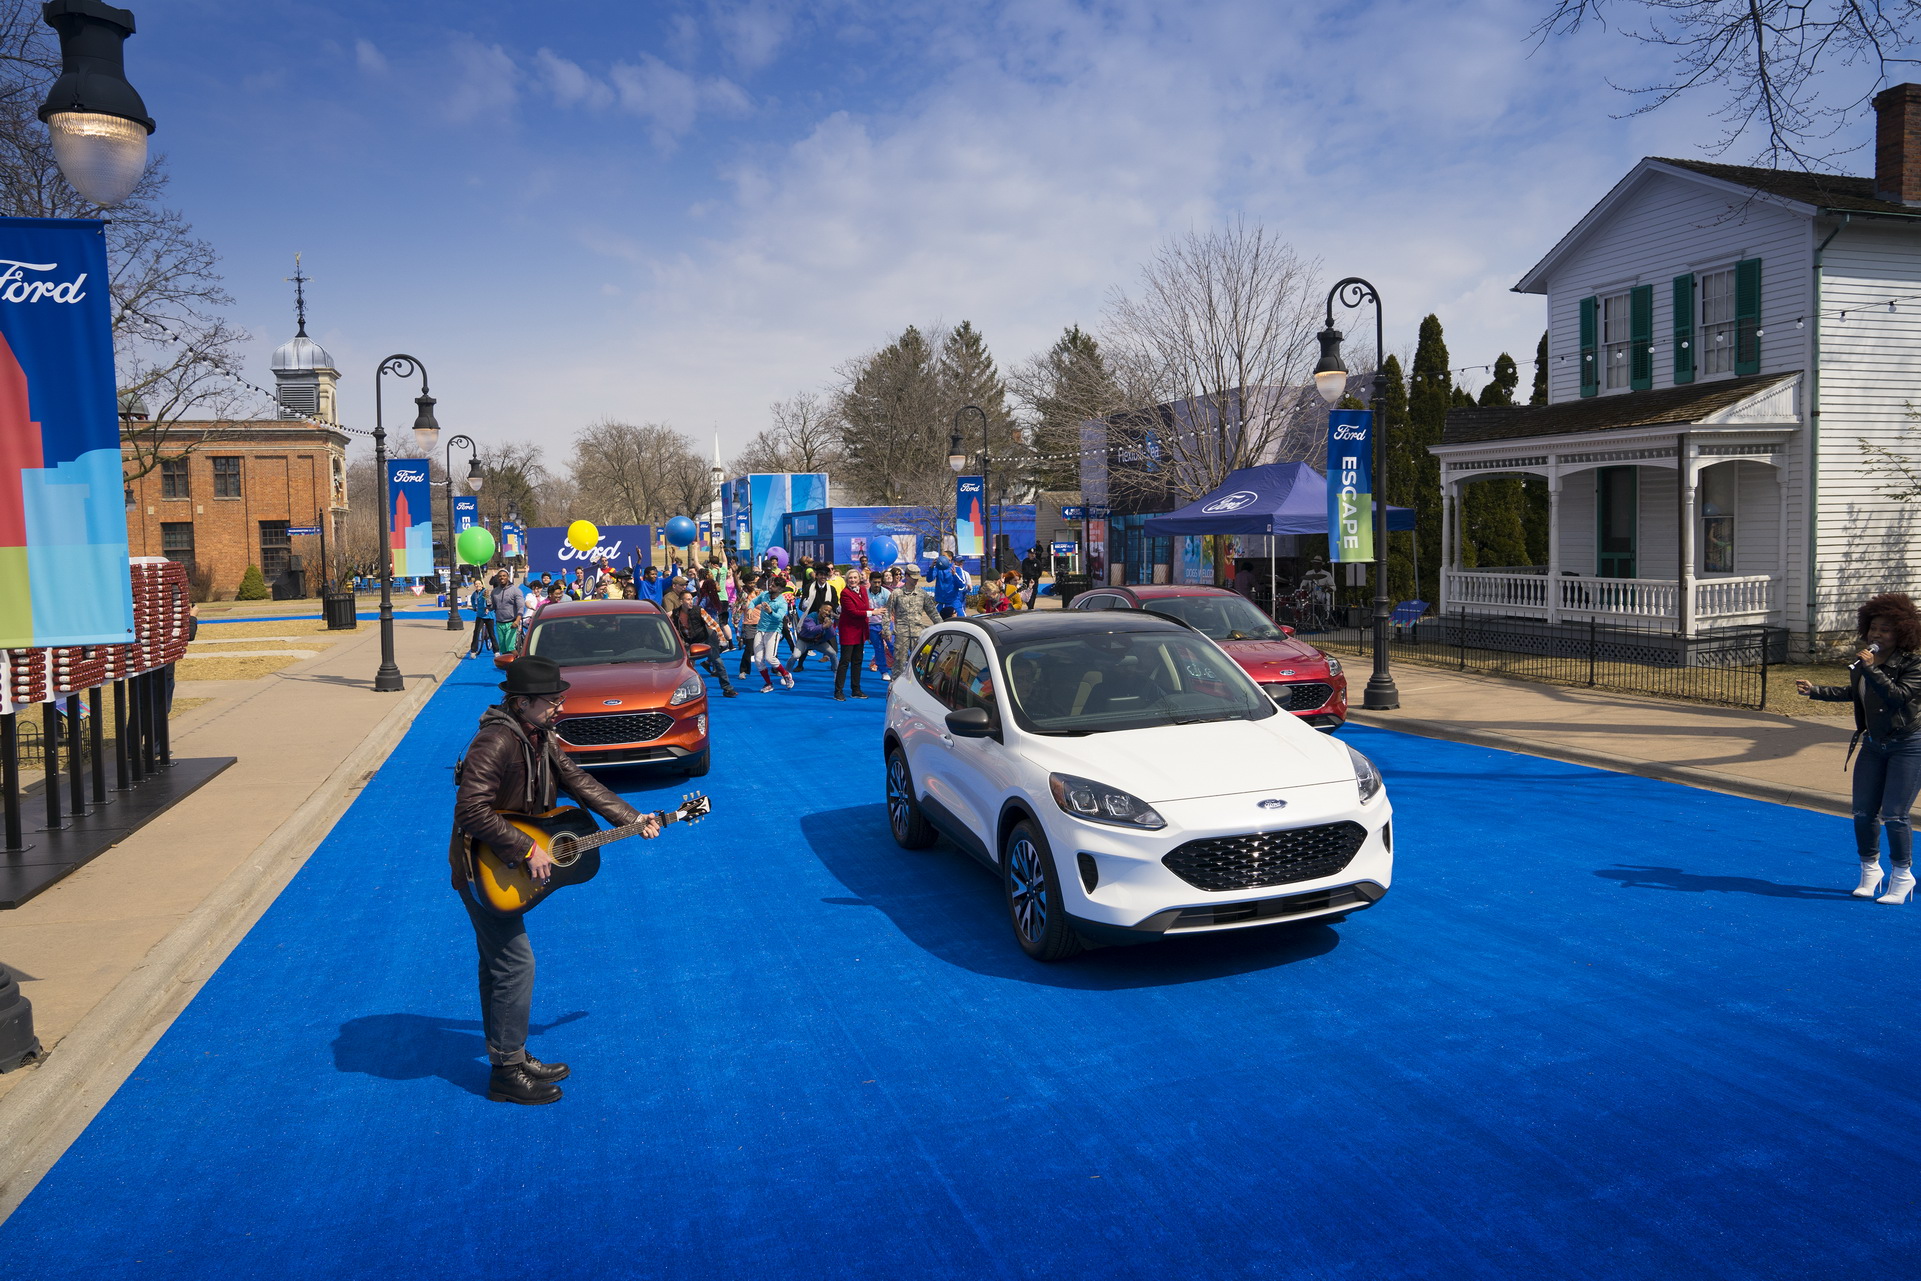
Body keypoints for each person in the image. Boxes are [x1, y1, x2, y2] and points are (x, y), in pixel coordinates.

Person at [449, 655, 658, 1104]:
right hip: (483, 868)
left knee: (497, 966)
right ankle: (506, 1074)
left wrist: (633, 818)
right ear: (522, 702)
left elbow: (578, 780)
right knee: (515, 964)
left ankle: (511, 1054)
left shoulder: (538, 735)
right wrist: (525, 847)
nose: (560, 706)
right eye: (552, 700)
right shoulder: (496, 741)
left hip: (501, 861)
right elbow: (470, 810)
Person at [1797, 593, 1921, 904]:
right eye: (1874, 628)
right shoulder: (1864, 663)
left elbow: (1897, 696)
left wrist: (1872, 669)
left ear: (1902, 633)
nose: (1877, 635)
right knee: (1863, 812)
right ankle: (1870, 870)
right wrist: (1815, 691)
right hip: (1873, 744)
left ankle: (1903, 876)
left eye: (1886, 630)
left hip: (1907, 746)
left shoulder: (1914, 665)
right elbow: (1856, 693)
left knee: (1894, 814)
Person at [671, 591, 736, 697]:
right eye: (688, 599)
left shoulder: (699, 610)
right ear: (681, 601)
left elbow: (713, 624)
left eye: (691, 599)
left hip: (705, 640)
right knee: (684, 666)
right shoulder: (675, 613)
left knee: (718, 662)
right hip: (689, 642)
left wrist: (721, 638)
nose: (691, 601)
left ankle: (727, 689)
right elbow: (674, 630)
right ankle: (685, 690)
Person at [747, 577, 794, 691]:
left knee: (770, 658)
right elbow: (753, 601)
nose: (770, 587)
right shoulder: (765, 595)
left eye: (773, 586)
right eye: (771, 584)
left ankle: (786, 675)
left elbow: (780, 618)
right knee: (758, 660)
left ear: (780, 589)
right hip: (760, 629)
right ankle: (768, 683)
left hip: (773, 631)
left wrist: (770, 611)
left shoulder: (782, 602)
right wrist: (750, 608)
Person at [834, 574, 870, 700]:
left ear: (859, 579)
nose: (853, 580)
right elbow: (853, 612)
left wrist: (873, 611)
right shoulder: (845, 593)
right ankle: (838, 691)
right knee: (845, 661)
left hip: (860, 631)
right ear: (846, 580)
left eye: (855, 578)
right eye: (850, 578)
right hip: (849, 631)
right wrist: (872, 612)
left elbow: (864, 607)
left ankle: (856, 689)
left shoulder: (863, 590)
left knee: (858, 661)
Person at [890, 564, 935, 659]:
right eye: (913, 577)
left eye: (917, 578)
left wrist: (942, 627)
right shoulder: (896, 593)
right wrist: (887, 630)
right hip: (901, 635)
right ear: (906, 576)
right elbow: (887, 612)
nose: (916, 580)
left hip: (917, 634)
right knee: (900, 664)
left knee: (919, 663)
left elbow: (933, 612)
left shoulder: (922, 594)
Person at [793, 598, 839, 673]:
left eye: (829, 611)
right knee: (801, 650)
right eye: (825, 610)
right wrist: (824, 626)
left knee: (833, 651)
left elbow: (832, 634)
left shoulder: (828, 619)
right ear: (820, 609)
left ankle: (835, 669)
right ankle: (799, 665)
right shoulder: (811, 616)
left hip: (819, 638)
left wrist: (829, 625)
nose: (827, 612)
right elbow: (812, 630)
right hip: (807, 635)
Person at [489, 571, 524, 654]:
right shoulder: (494, 592)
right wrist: (486, 598)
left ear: (508, 577)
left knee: (510, 647)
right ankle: (506, 665)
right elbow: (492, 607)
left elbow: (520, 607)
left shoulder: (516, 591)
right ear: (497, 578)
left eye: (504, 576)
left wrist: (517, 621)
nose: (502, 578)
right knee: (503, 648)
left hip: (511, 623)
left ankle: (519, 662)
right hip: (499, 623)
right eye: (500, 576)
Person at [867, 571, 893, 679]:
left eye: (879, 582)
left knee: (893, 646)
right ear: (870, 582)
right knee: (878, 649)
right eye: (874, 582)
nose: (877, 585)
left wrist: (886, 626)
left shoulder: (887, 593)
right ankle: (884, 672)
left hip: (886, 623)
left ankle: (902, 668)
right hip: (872, 625)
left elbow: (892, 610)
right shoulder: (865, 594)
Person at [467, 580, 494, 658]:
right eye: (476, 584)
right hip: (480, 615)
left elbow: (488, 601)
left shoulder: (485, 592)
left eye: (479, 584)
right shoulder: (475, 594)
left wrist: (487, 608)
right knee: (476, 632)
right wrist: (474, 607)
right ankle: (473, 651)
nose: (477, 585)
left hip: (488, 615)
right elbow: (472, 599)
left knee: (492, 633)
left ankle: (496, 651)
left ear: (482, 585)